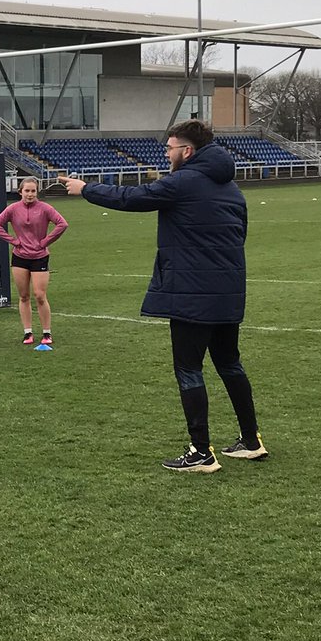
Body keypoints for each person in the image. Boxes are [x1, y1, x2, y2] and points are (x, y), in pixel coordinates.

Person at [59, 120, 267, 473]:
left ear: (186, 151)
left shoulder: (184, 181)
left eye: (169, 149)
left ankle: (201, 452)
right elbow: (240, 235)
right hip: (227, 292)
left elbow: (133, 197)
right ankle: (251, 440)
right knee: (229, 363)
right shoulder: (231, 187)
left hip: (191, 292)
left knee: (188, 368)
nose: (166, 155)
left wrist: (86, 189)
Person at [0, 176, 69, 345]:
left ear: (37, 192)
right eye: (27, 191)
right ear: (20, 192)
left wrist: (45, 242)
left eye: (33, 191)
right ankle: (27, 332)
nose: (30, 194)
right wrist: (14, 241)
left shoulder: (45, 208)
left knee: (40, 295)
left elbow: (62, 224)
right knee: (24, 296)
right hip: (19, 257)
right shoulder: (13, 209)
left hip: (39, 257)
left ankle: (47, 332)